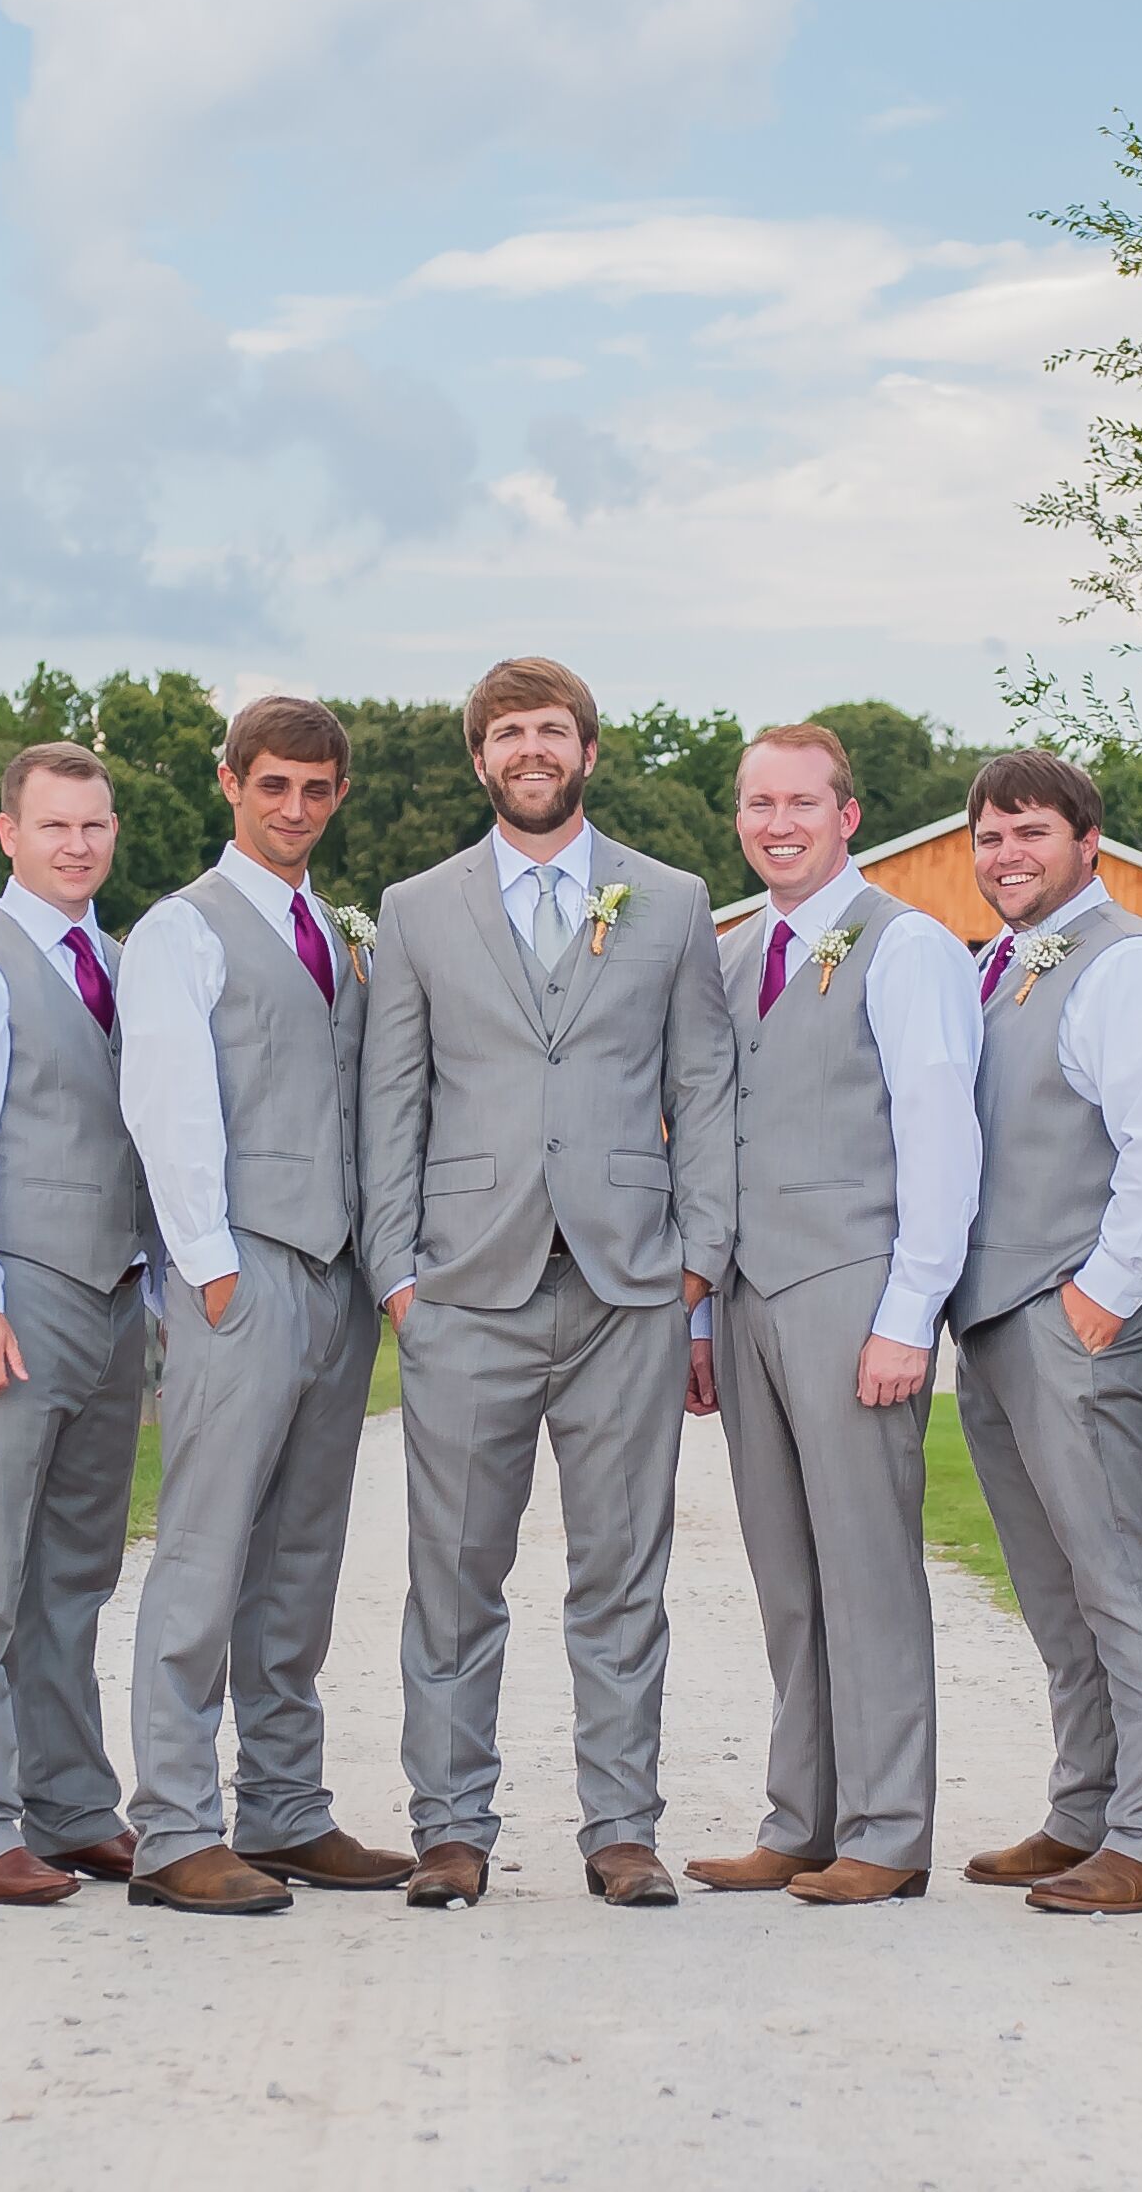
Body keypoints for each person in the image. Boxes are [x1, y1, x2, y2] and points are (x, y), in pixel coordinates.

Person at [359, 656, 737, 1910]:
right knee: (453, 1572)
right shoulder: (416, 908)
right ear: (480, 757)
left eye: (553, 730)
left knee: (621, 1573)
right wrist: (400, 1278)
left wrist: (695, 1265)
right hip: (466, 1288)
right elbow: (393, 1101)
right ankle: (451, 1827)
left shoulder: (671, 900)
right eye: (509, 731)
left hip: (628, 1286)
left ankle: (620, 1828)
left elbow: (704, 1090)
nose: (532, 748)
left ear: (586, 750)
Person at [116, 697, 413, 1915]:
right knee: (204, 1548)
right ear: (230, 782)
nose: (294, 809)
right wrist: (209, 1262)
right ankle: (174, 1825)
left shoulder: (336, 933)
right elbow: (167, 1099)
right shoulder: (181, 930)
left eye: (317, 790)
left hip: (334, 1274)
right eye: (274, 785)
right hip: (239, 1265)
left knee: (300, 1553)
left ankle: (284, 1806)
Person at [685, 724, 979, 1906]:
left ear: (847, 815)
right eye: (758, 803)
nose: (777, 822)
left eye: (800, 801)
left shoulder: (902, 947)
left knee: (866, 1570)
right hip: (750, 1294)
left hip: (855, 1290)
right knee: (788, 1577)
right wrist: (700, 1318)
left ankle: (887, 1830)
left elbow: (940, 1133)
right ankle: (799, 1816)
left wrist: (910, 1312)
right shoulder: (735, 950)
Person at [944, 751, 1142, 1916]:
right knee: (1052, 1583)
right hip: (995, 1315)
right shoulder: (998, 970)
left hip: (1073, 1313)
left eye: (1030, 833)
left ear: (1087, 842)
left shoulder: (1130, 968)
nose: (1007, 854)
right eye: (990, 835)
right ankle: (1085, 1808)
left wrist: (1101, 1293)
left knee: (1116, 1570)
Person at [0, 742, 152, 1907]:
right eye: (53, 826)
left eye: (94, 826)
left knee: (73, 1574)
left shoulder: (116, 961)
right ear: (9, 832)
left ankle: (70, 1805)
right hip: (10, 1296)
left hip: (109, 1299)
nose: (76, 845)